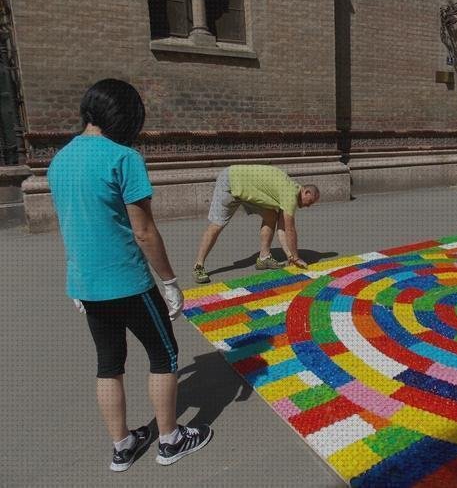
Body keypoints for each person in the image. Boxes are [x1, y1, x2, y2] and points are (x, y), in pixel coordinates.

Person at [47, 79, 212, 472]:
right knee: (164, 354)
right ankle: (170, 440)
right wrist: (170, 282)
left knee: (109, 363)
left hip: (86, 283)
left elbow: (72, 224)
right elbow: (144, 231)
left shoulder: (58, 161)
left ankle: (122, 447)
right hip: (129, 282)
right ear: (125, 117)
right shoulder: (123, 157)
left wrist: (76, 277)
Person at [192, 164, 320, 284]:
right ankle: (198, 265)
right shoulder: (290, 195)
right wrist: (296, 258)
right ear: (306, 192)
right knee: (217, 225)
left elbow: (282, 230)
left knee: (271, 215)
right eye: (310, 201)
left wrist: (290, 256)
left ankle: (264, 258)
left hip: (247, 189)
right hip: (230, 182)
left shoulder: (290, 192)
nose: (309, 206)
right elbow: (290, 230)